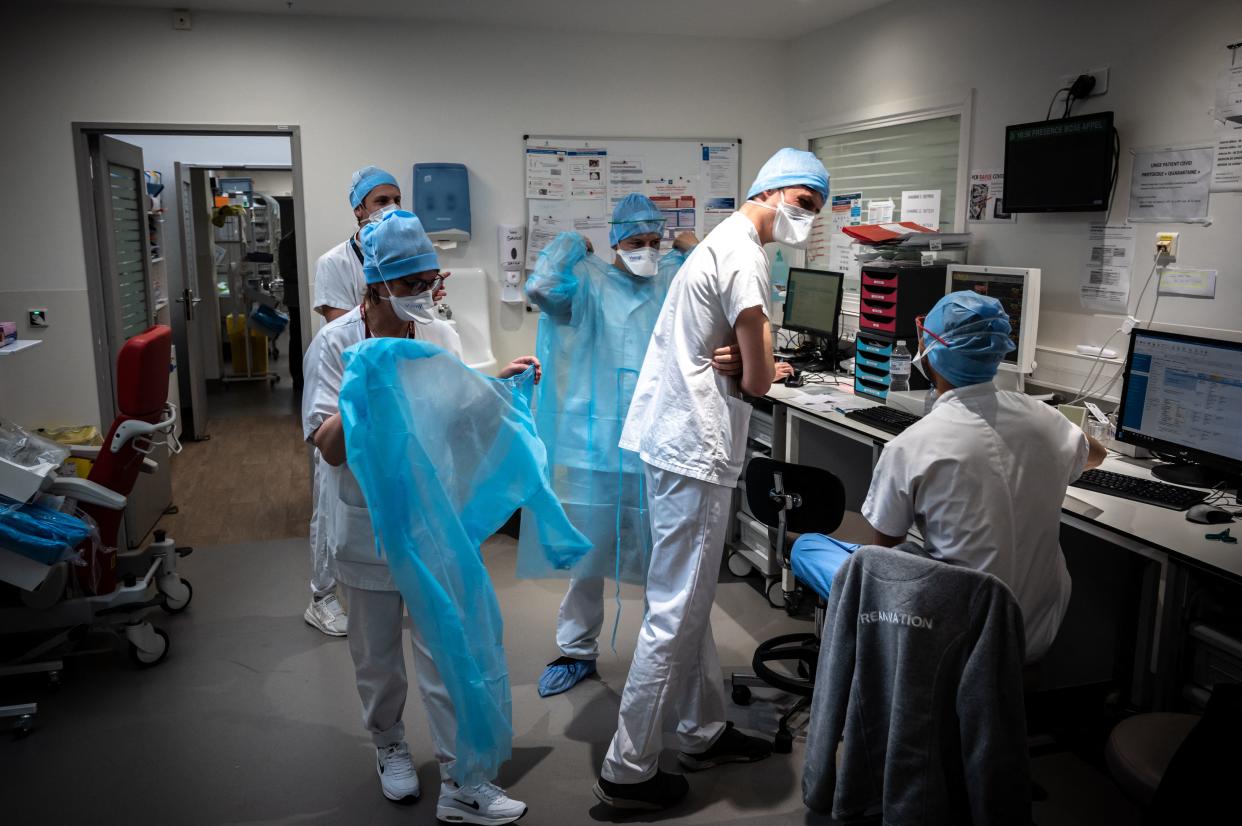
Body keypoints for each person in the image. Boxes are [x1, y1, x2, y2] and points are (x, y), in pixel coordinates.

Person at [593, 148, 829, 811]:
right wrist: (771, 367)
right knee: (675, 612)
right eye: (805, 203)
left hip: (671, 443)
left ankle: (701, 728)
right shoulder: (747, 255)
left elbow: (728, 350)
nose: (806, 219)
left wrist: (752, 357)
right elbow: (755, 377)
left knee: (687, 601)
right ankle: (627, 769)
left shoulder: (719, 243)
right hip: (693, 450)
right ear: (774, 189)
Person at [303, 210, 538, 824]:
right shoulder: (335, 345)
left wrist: (498, 388)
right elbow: (326, 446)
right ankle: (390, 747)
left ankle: (463, 780)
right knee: (378, 659)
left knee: (446, 650)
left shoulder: (441, 336)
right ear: (379, 284)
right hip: (366, 524)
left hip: (432, 520)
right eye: (414, 285)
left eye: (434, 281)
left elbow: (455, 412)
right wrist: (366, 387)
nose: (430, 295)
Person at [857, 290, 1107, 662]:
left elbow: (885, 559)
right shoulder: (1043, 418)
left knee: (816, 549)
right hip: (1035, 632)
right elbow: (1096, 454)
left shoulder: (912, 446)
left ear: (931, 349)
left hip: (956, 636)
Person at [520, 194, 696, 698]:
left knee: (665, 552)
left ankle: (662, 654)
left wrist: (693, 247)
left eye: (652, 241)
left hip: (657, 438)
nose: (645, 250)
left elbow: (723, 293)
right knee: (590, 551)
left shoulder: (674, 278)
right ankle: (576, 649)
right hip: (593, 437)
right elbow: (541, 288)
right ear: (615, 242)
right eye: (634, 242)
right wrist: (570, 245)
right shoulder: (588, 284)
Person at [303, 165, 400, 638]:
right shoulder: (334, 262)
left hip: (385, 378)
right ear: (359, 208)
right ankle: (320, 597)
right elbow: (349, 323)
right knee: (331, 494)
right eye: (380, 201)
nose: (390, 208)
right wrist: (396, 304)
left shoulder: (400, 256)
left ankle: (379, 583)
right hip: (345, 376)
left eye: (396, 198)